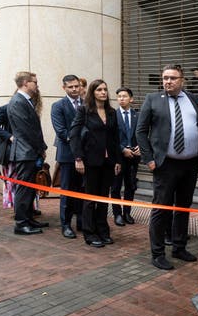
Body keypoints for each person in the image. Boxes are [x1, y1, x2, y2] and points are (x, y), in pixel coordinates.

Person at [136, 64, 198, 270]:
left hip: (190, 164)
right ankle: (157, 253)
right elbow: (140, 132)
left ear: (181, 79)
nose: (168, 81)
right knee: (161, 209)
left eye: (172, 78)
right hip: (165, 165)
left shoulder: (193, 99)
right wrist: (149, 159)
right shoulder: (153, 99)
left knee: (183, 207)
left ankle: (179, 247)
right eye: (165, 77)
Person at [70, 79, 121, 248]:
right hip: (90, 161)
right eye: (99, 89)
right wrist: (78, 158)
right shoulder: (84, 111)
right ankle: (89, 233)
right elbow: (75, 134)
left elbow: (115, 138)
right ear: (93, 92)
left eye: (105, 89)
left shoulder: (112, 112)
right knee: (90, 199)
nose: (103, 92)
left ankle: (103, 231)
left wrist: (117, 160)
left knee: (103, 198)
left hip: (108, 162)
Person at [8, 72, 47, 235]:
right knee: (24, 188)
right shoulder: (18, 101)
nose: (37, 85)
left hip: (29, 151)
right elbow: (27, 130)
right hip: (25, 152)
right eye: (35, 82)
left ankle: (29, 218)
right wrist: (41, 148)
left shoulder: (25, 101)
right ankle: (21, 223)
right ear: (25, 83)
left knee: (30, 188)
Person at [50, 74, 84, 239]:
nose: (74, 89)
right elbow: (61, 131)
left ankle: (82, 222)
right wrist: (80, 141)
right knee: (68, 191)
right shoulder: (58, 106)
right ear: (64, 88)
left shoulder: (86, 104)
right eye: (71, 87)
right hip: (68, 156)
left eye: (77, 86)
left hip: (86, 155)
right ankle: (66, 225)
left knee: (82, 190)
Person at [110, 87, 140, 226]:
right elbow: (110, 138)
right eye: (119, 96)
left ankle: (127, 212)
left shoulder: (137, 115)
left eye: (124, 96)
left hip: (134, 156)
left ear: (131, 99)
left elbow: (142, 133)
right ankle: (117, 214)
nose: (121, 98)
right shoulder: (112, 115)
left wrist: (140, 147)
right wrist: (122, 149)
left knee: (130, 186)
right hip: (118, 157)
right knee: (116, 187)